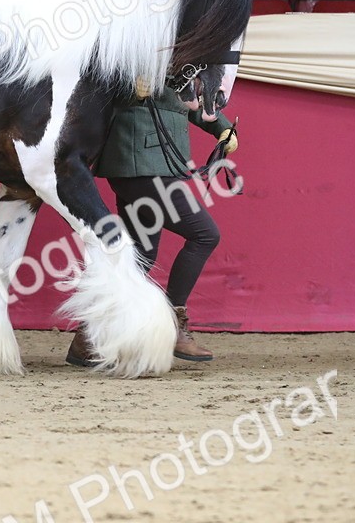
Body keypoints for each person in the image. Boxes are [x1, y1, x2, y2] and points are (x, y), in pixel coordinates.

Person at [67, 83, 238, 366]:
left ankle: (88, 339)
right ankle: (173, 324)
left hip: (155, 164)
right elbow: (101, 89)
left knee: (140, 258)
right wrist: (130, 90)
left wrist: (221, 126)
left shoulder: (180, 55)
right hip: (138, 161)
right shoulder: (134, 43)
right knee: (204, 234)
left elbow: (183, 99)